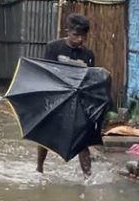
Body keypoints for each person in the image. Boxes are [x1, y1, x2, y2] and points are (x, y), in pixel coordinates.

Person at [37, 13, 96, 176]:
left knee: (82, 140)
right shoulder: (54, 47)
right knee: (45, 134)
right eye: (76, 35)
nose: (79, 39)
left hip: (76, 100)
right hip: (55, 96)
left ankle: (88, 175)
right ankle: (39, 168)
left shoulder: (88, 55)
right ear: (67, 31)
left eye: (83, 36)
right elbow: (46, 72)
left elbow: (89, 79)